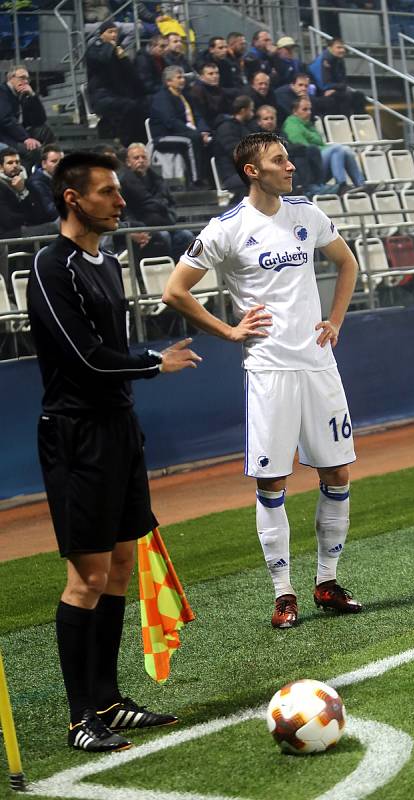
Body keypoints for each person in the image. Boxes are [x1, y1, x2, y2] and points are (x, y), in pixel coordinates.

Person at [26, 151, 201, 752]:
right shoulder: (52, 266)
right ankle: (81, 719)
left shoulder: (106, 262)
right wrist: (156, 362)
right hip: (76, 435)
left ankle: (108, 699)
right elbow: (84, 358)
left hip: (119, 427)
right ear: (74, 199)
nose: (120, 201)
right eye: (107, 192)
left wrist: (140, 378)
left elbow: (110, 352)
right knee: (89, 575)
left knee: (122, 563)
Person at [162, 131, 363, 628]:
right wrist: (229, 331)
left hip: (318, 364)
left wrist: (335, 319)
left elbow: (347, 262)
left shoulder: (307, 214)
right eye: (279, 160)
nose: (289, 166)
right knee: (273, 481)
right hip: (269, 369)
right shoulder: (226, 228)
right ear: (253, 171)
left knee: (336, 473)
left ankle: (327, 582)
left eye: (288, 158)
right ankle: (283, 594)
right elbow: (174, 291)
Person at [119, 142, 194, 259]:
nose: (141, 160)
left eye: (144, 157)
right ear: (128, 162)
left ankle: (179, 270)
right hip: (143, 227)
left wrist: (171, 215)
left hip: (166, 223)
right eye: (136, 158)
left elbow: (172, 202)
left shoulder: (158, 179)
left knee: (187, 236)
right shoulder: (124, 182)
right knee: (163, 236)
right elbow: (126, 211)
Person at [283, 96, 365, 194]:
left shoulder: (308, 124)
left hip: (319, 161)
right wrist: (320, 146)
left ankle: (361, 185)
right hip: (310, 165)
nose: (309, 112)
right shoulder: (291, 124)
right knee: (337, 149)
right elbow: (305, 149)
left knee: (346, 150)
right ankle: (341, 184)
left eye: (309, 109)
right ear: (295, 111)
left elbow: (319, 144)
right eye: (304, 109)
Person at [86, 21, 148, 144]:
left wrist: (124, 58)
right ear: (101, 34)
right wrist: (110, 46)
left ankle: (140, 143)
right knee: (129, 107)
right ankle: (125, 142)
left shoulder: (118, 51)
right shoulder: (94, 48)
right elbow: (102, 59)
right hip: (101, 95)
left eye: (116, 32)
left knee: (143, 106)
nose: (114, 35)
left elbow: (133, 76)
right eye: (110, 32)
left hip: (118, 94)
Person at [150, 65, 210, 185]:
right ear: (168, 82)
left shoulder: (186, 96)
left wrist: (203, 131)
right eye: (179, 77)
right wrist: (195, 133)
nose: (182, 80)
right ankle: (196, 180)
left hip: (187, 132)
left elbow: (197, 115)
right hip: (165, 135)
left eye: (183, 77)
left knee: (211, 140)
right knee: (192, 140)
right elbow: (171, 121)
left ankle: (211, 179)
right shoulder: (161, 98)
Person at [255, 104, 330, 196]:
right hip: (270, 165)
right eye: (266, 119)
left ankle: (318, 184)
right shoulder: (256, 136)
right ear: (259, 122)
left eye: (272, 118)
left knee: (311, 150)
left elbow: (287, 145)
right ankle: (307, 189)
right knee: (299, 157)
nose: (270, 121)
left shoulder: (280, 132)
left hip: (286, 159)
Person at [0, 65, 54, 163]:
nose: (25, 82)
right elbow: (6, 120)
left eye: (27, 79)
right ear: (10, 78)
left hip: (18, 133)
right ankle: (32, 175)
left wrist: (32, 95)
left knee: (45, 130)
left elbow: (40, 119)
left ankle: (51, 160)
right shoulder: (2, 92)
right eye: (22, 78)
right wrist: (25, 138)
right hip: (5, 136)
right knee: (32, 151)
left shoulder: (23, 94)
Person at [307, 39, 366, 117]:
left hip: (335, 90)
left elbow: (344, 82)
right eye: (338, 47)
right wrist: (339, 87)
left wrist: (337, 88)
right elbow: (323, 85)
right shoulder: (323, 60)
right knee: (344, 97)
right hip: (320, 92)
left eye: (343, 48)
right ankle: (346, 123)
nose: (342, 50)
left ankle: (360, 123)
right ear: (330, 48)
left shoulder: (339, 60)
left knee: (359, 95)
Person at [213, 95, 257, 199]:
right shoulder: (226, 128)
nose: (252, 113)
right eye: (251, 110)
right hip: (231, 174)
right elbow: (236, 152)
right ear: (243, 110)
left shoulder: (245, 127)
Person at [27, 144, 64, 224]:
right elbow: (51, 211)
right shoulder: (36, 182)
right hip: (46, 224)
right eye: (54, 161)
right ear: (44, 164)